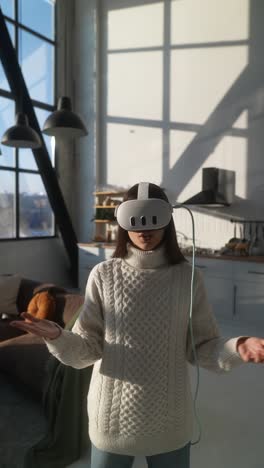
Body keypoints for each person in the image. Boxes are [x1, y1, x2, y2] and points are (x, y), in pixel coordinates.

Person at [10, 182, 264, 468]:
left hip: (171, 421)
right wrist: (58, 336)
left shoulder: (188, 277)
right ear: (122, 221)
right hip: (112, 420)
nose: (145, 229)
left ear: (168, 220)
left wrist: (238, 346)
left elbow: (201, 347)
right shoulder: (103, 275)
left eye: (154, 219)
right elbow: (87, 350)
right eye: (135, 219)